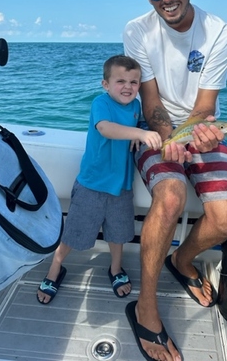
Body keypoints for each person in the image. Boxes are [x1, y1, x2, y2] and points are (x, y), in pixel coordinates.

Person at [123, 0, 227, 361]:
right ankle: (146, 307)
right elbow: (151, 102)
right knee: (170, 195)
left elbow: (205, 107)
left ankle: (183, 259)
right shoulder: (137, 31)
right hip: (154, 132)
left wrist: (195, 137)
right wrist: (168, 138)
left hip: (201, 127)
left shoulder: (219, 33)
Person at [36, 55, 162, 304]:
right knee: (74, 232)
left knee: (118, 233)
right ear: (105, 84)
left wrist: (139, 132)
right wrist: (140, 132)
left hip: (121, 187)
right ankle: (56, 267)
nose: (128, 87)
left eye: (134, 82)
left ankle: (115, 269)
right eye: (120, 81)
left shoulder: (136, 105)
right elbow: (106, 128)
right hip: (91, 185)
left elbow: (134, 124)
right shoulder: (100, 103)